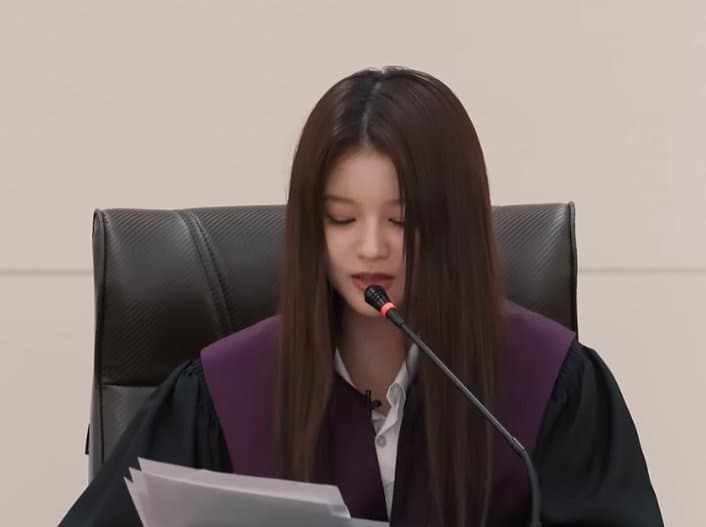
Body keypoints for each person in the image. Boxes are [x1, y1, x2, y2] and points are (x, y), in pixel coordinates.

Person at [59, 66, 663, 527]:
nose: (371, 248)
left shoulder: (552, 385)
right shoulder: (222, 394)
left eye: (401, 220)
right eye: (341, 219)